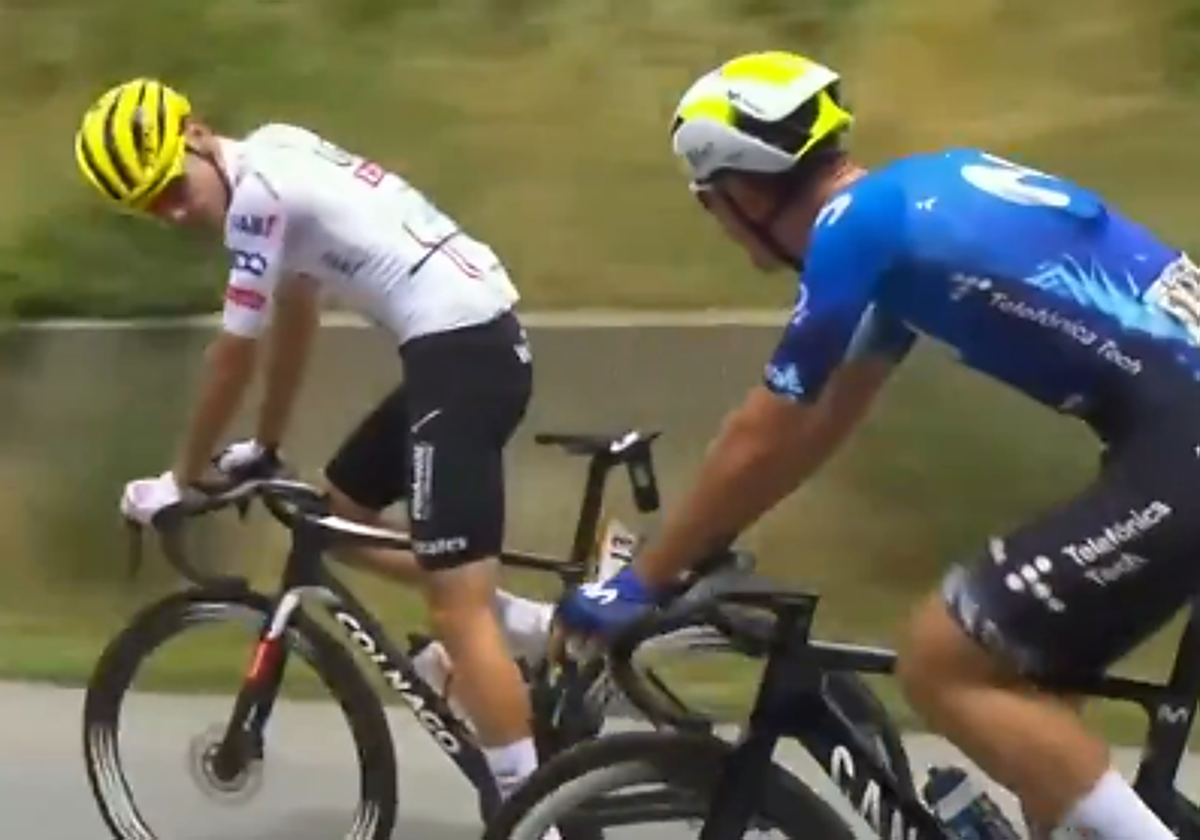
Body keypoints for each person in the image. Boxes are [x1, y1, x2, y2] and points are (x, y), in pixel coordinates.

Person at [556, 50, 1200, 840]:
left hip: (1180, 451)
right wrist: (698, 545)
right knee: (1031, 713)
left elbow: (765, 430)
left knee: (941, 660)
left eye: (709, 203)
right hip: (1170, 444)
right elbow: (818, 424)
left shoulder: (854, 232)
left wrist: (639, 583)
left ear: (747, 191)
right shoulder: (912, 208)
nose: (720, 226)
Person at [76, 78, 556, 801]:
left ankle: (535, 810)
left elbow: (233, 358)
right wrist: (266, 446)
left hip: (461, 353)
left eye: (172, 187)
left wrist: (179, 477)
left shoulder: (257, 199)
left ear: (198, 135)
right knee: (335, 519)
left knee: (455, 609)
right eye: (151, 208)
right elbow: (297, 311)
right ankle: (525, 625)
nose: (174, 212)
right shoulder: (276, 149)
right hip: (459, 345)